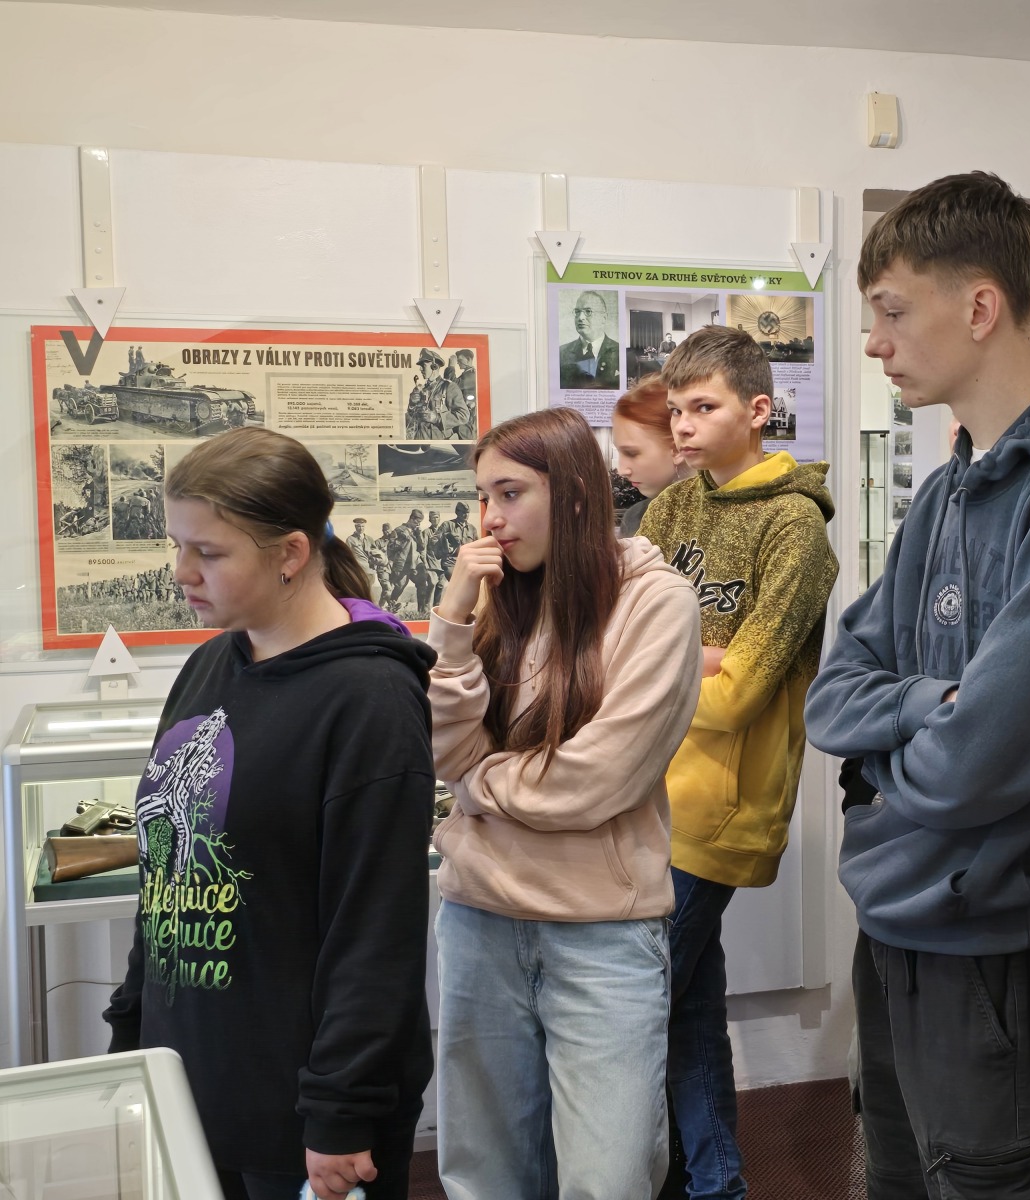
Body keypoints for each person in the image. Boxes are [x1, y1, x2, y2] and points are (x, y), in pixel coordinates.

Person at [804, 172, 1030, 1199]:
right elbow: (833, 696)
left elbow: (972, 769)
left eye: (891, 311)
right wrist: (928, 707)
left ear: (978, 308)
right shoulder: (946, 490)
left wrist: (897, 752)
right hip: (898, 924)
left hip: (995, 950)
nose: (874, 343)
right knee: (896, 1178)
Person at [102, 426, 435, 1200]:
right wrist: (133, 1031)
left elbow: (374, 929)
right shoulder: (210, 664)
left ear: (290, 553)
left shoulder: (370, 698)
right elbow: (165, 880)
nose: (182, 572)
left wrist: (340, 1110)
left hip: (303, 1111)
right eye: (178, 546)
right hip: (192, 1078)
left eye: (209, 552)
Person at [427, 406, 702, 1199]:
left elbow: (596, 780)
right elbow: (440, 749)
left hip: (599, 933)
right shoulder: (496, 599)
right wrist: (452, 619)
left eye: (510, 493)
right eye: (482, 497)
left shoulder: (657, 602)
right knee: (485, 1175)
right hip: (479, 917)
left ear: (576, 493)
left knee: (607, 1178)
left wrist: (479, 784)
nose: (490, 519)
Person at [637, 324, 837, 1200]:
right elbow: (619, 648)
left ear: (759, 410)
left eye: (703, 407)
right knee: (683, 1011)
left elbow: (737, 697)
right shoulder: (671, 508)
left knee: (637, 1009)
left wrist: (672, 664)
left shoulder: (796, 527)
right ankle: (714, 1183)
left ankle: (670, 1180)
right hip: (642, 791)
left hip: (719, 808)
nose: (682, 426)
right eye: (675, 410)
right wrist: (699, 660)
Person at [611, 373, 688, 536]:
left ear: (677, 449)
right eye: (619, 452)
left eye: (631, 453)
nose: (622, 470)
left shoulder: (726, 520)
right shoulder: (634, 519)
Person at [560, 290, 622, 389]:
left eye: (588, 311)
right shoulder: (561, 353)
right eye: (577, 312)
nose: (580, 317)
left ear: (604, 318)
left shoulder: (620, 352)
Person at [432, 500, 477, 595]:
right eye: (463, 512)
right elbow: (434, 540)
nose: (466, 515)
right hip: (450, 562)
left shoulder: (472, 529)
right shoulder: (447, 525)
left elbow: (477, 547)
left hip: (467, 563)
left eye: (467, 512)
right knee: (457, 583)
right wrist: (445, 545)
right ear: (457, 512)